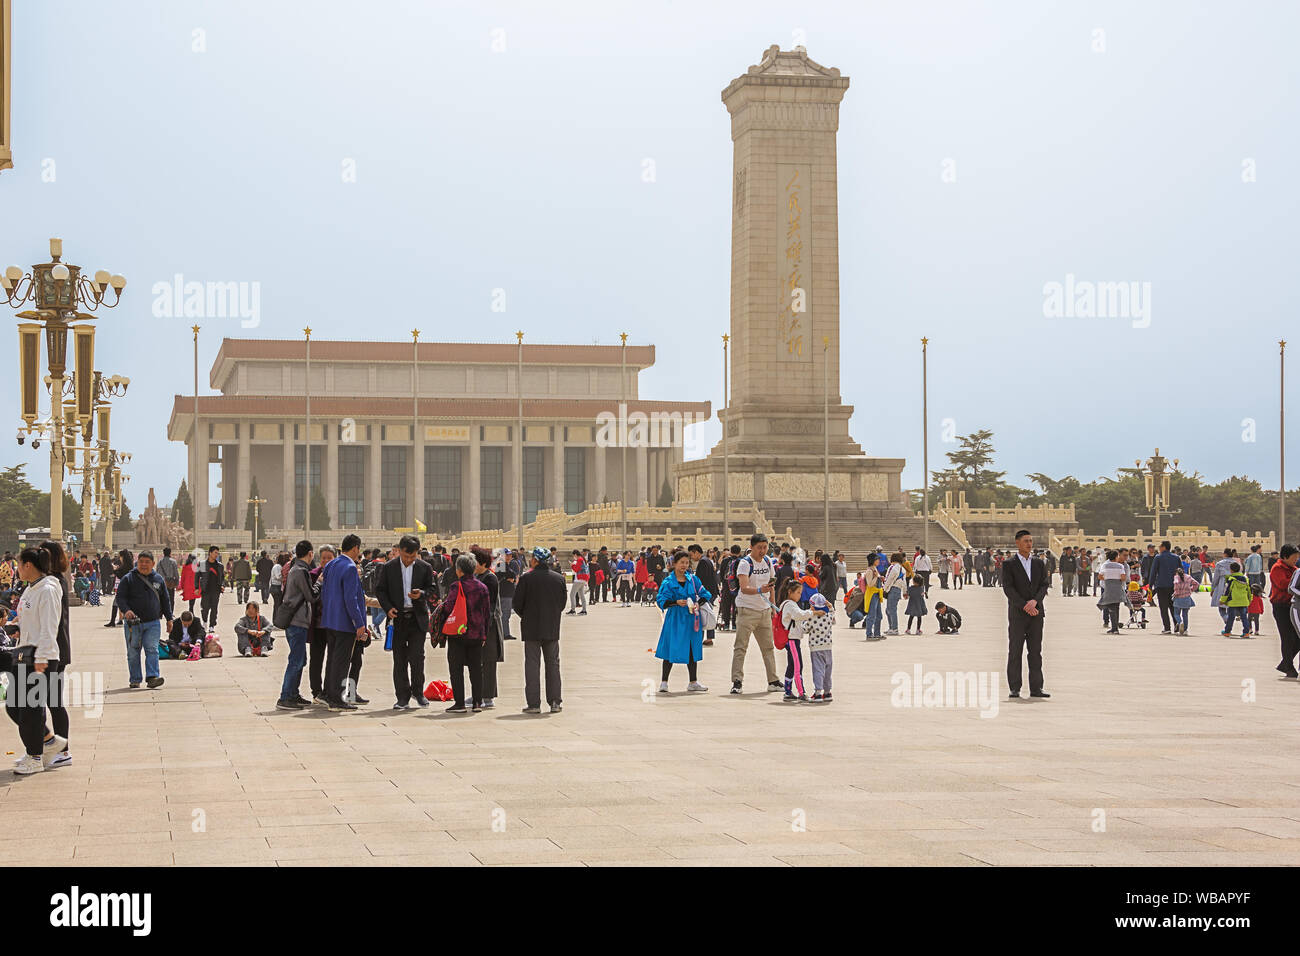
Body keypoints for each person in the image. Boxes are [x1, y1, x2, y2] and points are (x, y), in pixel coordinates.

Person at [7, 549, 66, 774]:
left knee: (31, 708)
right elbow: (28, 619)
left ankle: (35, 756)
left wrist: (41, 658)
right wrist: (17, 627)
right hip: (25, 652)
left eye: (19, 564)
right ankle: (48, 741)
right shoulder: (30, 589)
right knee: (14, 706)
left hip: (42, 656)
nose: (17, 569)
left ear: (29, 565)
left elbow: (50, 626)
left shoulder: (48, 590)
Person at [377, 535, 435, 710]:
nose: (409, 560)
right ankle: (402, 696)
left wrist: (422, 594)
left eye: (412, 556)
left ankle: (418, 692)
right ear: (399, 551)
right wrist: (388, 608)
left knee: (417, 657)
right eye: (405, 556)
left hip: (417, 618)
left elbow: (433, 589)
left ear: (417, 553)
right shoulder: (389, 568)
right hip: (397, 618)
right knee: (399, 659)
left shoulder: (425, 567)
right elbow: (380, 590)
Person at [431, 553, 491, 714]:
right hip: (477, 634)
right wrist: (484, 634)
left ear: (459, 570)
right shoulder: (482, 587)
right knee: (476, 669)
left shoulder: (456, 587)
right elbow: (487, 613)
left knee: (456, 669)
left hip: (458, 633)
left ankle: (459, 704)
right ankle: (478, 702)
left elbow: (449, 608)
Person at [513, 548, 567, 714]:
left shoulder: (526, 578)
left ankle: (534, 704)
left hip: (531, 629)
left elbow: (517, 604)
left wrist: (526, 616)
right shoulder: (558, 579)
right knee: (553, 665)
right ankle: (555, 702)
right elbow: (562, 604)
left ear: (535, 560)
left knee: (532, 665)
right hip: (551, 628)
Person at [319, 534, 368, 712]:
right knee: (342, 661)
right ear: (355, 548)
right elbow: (351, 598)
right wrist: (359, 622)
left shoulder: (331, 564)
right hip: (345, 622)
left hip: (330, 620)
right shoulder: (349, 567)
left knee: (332, 659)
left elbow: (325, 592)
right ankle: (337, 699)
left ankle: (328, 693)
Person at [729, 533, 782, 696]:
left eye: (765, 547)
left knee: (768, 648)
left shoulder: (768, 562)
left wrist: (772, 605)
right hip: (747, 610)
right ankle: (737, 681)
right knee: (741, 647)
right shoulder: (745, 564)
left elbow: (772, 584)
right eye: (759, 547)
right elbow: (743, 587)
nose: (763, 551)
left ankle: (773, 681)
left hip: (764, 611)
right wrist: (760, 590)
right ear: (751, 547)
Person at [655, 549, 711, 694]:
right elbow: (661, 601)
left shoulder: (693, 580)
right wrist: (675, 602)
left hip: (692, 619)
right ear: (674, 564)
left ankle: (693, 681)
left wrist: (699, 603)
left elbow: (705, 594)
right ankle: (664, 682)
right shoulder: (668, 581)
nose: (684, 565)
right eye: (681, 563)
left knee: (692, 649)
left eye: (687, 563)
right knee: (670, 649)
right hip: (675, 619)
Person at [115, 550, 173, 690]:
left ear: (153, 564)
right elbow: (120, 598)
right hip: (133, 624)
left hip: (153, 622)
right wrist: (126, 610)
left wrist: (169, 618)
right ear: (137, 563)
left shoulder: (158, 579)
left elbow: (165, 600)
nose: (144, 565)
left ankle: (152, 677)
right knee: (133, 651)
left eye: (147, 562)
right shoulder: (128, 579)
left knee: (152, 649)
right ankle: (135, 679)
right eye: (141, 562)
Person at [1003, 530, 1049, 699]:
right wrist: (1024, 605)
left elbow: (1044, 585)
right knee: (1015, 650)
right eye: (1025, 541)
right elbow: (1008, 588)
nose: (1029, 544)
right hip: (1018, 614)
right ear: (1017, 543)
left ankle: (1036, 688)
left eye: (1031, 540)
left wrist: (1034, 602)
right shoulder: (1009, 564)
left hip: (1036, 612)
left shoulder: (1039, 563)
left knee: (1035, 651)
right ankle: (1015, 687)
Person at [274, 540, 316, 711]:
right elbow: (311, 596)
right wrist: (319, 582)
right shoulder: (300, 571)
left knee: (300, 659)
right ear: (310, 553)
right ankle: (285, 697)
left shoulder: (295, 569)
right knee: (296, 660)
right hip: (297, 621)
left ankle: (293, 694)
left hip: (297, 621)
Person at [472, 547, 505, 709]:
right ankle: (479, 693)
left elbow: (491, 607)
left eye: (475, 561)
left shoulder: (490, 578)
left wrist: (484, 629)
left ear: (483, 563)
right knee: (479, 661)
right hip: (479, 624)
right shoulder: (478, 576)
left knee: (489, 661)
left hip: (489, 626)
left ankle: (488, 696)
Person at [777, 578, 820, 702]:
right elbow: (799, 615)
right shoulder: (790, 604)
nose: (799, 595)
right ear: (790, 592)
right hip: (791, 639)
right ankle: (801, 692)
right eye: (798, 593)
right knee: (797, 666)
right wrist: (812, 612)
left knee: (792, 665)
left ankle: (788, 691)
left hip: (792, 639)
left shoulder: (788, 604)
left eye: (800, 593)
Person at [1270, 544, 1300, 677]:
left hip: (1293, 606)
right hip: (1281, 606)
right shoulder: (1277, 568)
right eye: (1294, 557)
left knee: (1296, 638)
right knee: (1287, 637)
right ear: (1285, 556)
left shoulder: (1294, 569)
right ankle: (1288, 666)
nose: (1295, 560)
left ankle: (1285, 663)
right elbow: (1283, 584)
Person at [1147, 540, 1182, 634]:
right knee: (1174, 606)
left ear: (1163, 547)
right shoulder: (1176, 557)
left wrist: (1150, 585)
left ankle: (1167, 628)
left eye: (1160, 546)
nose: (1158, 548)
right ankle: (1177, 625)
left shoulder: (1158, 557)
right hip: (1174, 586)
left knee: (1163, 607)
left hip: (1161, 586)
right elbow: (1181, 571)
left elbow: (1153, 572)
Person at [688, 543, 718, 647]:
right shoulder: (707, 560)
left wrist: (700, 594)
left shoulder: (703, 562)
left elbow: (701, 580)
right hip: (711, 591)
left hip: (706, 593)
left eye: (691, 555)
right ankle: (709, 638)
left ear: (696, 552)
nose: (691, 557)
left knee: (703, 614)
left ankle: (703, 638)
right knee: (708, 613)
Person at [1096, 550, 1129, 634]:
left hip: (1109, 588)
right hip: (1118, 588)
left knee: (1111, 608)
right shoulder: (1120, 566)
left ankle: (1114, 628)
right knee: (1116, 607)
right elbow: (1123, 578)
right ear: (1115, 557)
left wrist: (1107, 579)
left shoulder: (1105, 565)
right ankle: (1115, 628)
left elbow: (1100, 576)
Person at [1218, 562, 1253, 638]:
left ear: (1231, 570)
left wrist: (1222, 600)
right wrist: (1250, 599)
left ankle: (1227, 631)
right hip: (1243, 601)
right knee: (1244, 617)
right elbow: (1249, 590)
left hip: (1233, 601)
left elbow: (1226, 591)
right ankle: (1246, 632)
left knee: (1231, 617)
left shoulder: (1231, 579)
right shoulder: (1245, 579)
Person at [882, 554, 908, 636]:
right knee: (889, 609)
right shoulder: (902, 568)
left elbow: (889, 579)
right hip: (898, 589)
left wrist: (884, 589)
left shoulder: (892, 567)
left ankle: (894, 628)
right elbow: (904, 582)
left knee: (891, 610)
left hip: (892, 589)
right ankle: (891, 627)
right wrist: (904, 591)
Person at [199, 546, 224, 630]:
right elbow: (198, 576)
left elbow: (222, 578)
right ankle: (205, 621)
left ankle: (212, 625)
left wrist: (223, 585)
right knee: (205, 608)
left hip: (216, 590)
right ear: (210, 553)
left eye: (217, 553)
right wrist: (196, 587)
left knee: (214, 608)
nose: (217, 554)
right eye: (215, 553)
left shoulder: (220, 566)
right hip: (205, 590)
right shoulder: (202, 564)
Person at [1171, 564, 1197, 635]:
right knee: (1185, 614)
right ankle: (1185, 630)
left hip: (1178, 598)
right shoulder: (1188, 577)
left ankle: (1180, 622)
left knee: (1176, 614)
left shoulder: (1176, 577)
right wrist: (1191, 590)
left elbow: (1176, 586)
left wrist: (1175, 594)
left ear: (1176, 573)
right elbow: (1196, 584)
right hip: (1187, 598)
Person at [566, 549, 589, 615]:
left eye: (574, 555)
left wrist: (572, 565)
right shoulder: (582, 559)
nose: (574, 557)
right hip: (582, 580)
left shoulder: (579, 560)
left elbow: (576, 569)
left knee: (572, 594)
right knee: (581, 595)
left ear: (575, 554)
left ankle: (573, 610)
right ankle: (584, 610)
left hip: (579, 580)